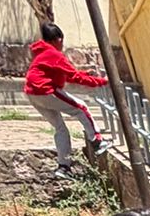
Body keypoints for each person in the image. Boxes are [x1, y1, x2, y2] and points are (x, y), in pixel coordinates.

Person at [23, 21, 108, 176]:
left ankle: (64, 167)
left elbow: (66, 74)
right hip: (45, 91)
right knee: (81, 108)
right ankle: (97, 141)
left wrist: (88, 75)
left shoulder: (41, 53)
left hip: (32, 94)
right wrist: (103, 82)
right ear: (59, 39)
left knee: (60, 128)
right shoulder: (54, 54)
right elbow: (74, 77)